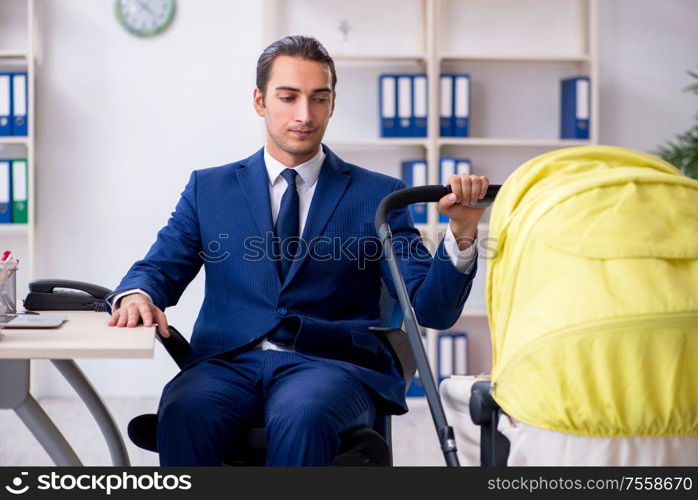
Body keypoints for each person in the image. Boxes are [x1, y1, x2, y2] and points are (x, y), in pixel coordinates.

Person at [105, 35, 489, 466]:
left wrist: (462, 232)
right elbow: (161, 265)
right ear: (260, 100)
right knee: (186, 410)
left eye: (318, 99)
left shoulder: (377, 195)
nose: (304, 115)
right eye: (288, 97)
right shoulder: (208, 189)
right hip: (226, 363)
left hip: (329, 365)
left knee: (301, 414)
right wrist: (138, 294)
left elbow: (432, 310)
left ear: (331, 104)